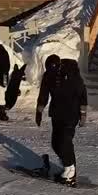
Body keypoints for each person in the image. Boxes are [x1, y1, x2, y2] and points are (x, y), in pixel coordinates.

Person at [35, 54, 88, 185]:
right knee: (56, 143)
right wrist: (39, 111)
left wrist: (83, 114)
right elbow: (44, 93)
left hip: (71, 113)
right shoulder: (48, 75)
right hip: (57, 113)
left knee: (65, 141)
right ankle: (68, 167)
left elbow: (82, 93)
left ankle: (70, 172)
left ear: (59, 67)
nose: (52, 74)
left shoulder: (71, 74)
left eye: (54, 71)